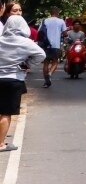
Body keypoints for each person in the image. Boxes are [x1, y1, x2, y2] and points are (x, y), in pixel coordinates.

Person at [0, 15, 45, 152]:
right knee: (6, 114)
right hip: (14, 80)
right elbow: (41, 55)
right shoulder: (25, 42)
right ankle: (1, 144)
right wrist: (27, 64)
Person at [39, 8, 66, 88]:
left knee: (46, 63)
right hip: (56, 45)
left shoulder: (45, 21)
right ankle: (50, 74)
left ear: (51, 13)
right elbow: (65, 33)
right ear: (58, 13)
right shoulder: (61, 21)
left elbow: (40, 32)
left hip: (46, 45)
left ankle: (46, 81)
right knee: (55, 62)